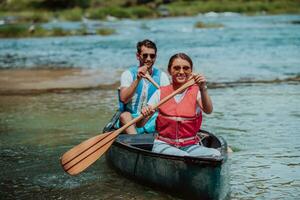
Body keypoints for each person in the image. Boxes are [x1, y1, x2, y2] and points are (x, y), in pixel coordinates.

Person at [138, 53, 221, 157]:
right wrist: (145, 114)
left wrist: (203, 88)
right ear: (169, 71)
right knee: (182, 156)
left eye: (186, 68)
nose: (181, 72)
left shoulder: (197, 92)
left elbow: (208, 110)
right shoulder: (160, 92)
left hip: (190, 145)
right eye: (176, 68)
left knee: (216, 154)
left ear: (191, 71)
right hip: (163, 144)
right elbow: (139, 125)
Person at [118, 39, 170, 134]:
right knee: (124, 115)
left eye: (152, 56)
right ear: (138, 56)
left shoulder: (162, 76)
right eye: (145, 55)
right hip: (130, 121)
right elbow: (124, 99)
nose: (149, 59)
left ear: (155, 57)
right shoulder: (128, 74)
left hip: (152, 119)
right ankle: (135, 141)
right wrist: (138, 79)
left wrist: (151, 111)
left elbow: (168, 103)